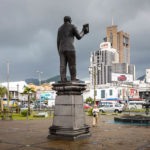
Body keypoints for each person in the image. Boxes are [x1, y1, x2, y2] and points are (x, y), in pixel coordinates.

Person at [57, 16, 89, 82]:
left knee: (62, 65)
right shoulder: (72, 26)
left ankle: (63, 79)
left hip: (61, 49)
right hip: (70, 48)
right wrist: (83, 31)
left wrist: (59, 51)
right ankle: (73, 78)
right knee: (72, 64)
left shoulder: (59, 29)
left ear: (64, 21)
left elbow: (58, 41)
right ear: (70, 20)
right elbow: (79, 37)